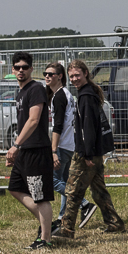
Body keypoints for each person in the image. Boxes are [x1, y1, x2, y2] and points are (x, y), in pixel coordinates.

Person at [53, 60, 125, 239]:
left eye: (77, 75)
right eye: (71, 77)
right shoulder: (89, 93)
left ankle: (67, 229)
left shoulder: (85, 97)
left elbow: (88, 129)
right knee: (99, 190)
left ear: (86, 73)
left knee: (73, 190)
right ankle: (114, 222)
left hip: (87, 153)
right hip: (95, 152)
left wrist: (86, 154)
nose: (75, 79)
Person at [5, 52, 54, 250]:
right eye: (17, 67)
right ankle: (48, 226)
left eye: (25, 67)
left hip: (36, 150)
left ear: (32, 69)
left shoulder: (36, 89)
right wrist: (18, 149)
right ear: (12, 70)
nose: (21, 70)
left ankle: (46, 240)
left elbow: (34, 120)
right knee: (16, 188)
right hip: (24, 150)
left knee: (39, 195)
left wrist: (15, 145)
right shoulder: (21, 91)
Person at [44, 62, 97, 231]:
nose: (47, 76)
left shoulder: (59, 96)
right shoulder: (66, 94)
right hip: (70, 144)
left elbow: (58, 125)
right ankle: (61, 217)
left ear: (60, 77)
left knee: (52, 181)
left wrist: (53, 150)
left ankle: (84, 204)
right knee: (67, 181)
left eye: (51, 74)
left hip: (63, 145)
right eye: (45, 73)